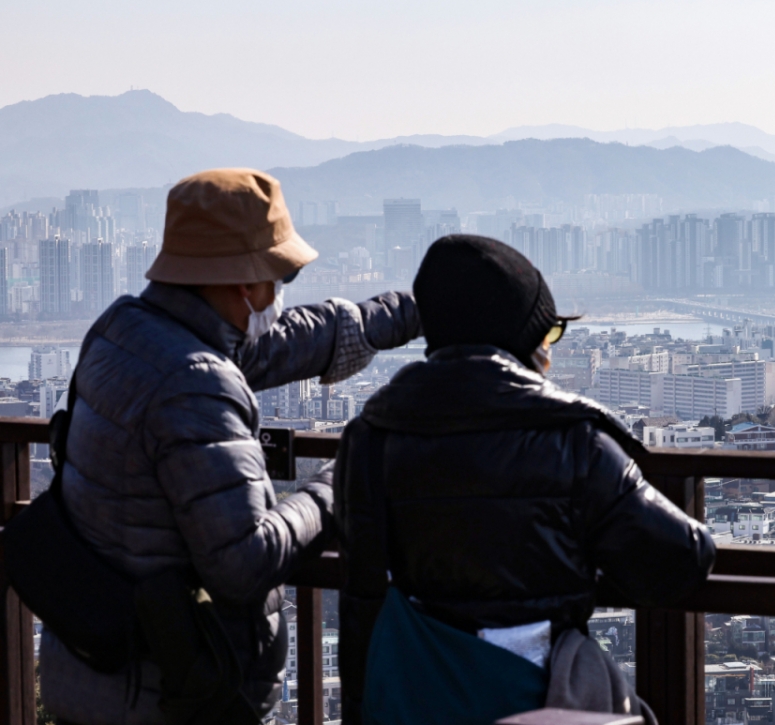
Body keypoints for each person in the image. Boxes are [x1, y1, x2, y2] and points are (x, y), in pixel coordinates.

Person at [39, 169, 422, 724]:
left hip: (98, 671)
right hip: (164, 696)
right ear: (244, 283)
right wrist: (340, 480)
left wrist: (405, 313)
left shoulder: (125, 329)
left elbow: (281, 344)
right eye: (278, 277)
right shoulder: (191, 382)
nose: (279, 294)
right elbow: (244, 561)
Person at [335, 235, 715, 724]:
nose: (550, 349)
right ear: (524, 339)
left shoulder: (370, 437)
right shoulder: (574, 441)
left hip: (412, 696)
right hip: (538, 696)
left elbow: (362, 596)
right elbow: (681, 557)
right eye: (549, 332)